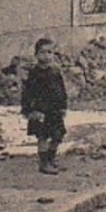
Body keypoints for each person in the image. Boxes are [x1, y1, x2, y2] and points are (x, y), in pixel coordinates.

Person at [21, 37, 68, 175]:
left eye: (50, 52)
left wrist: (63, 106)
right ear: (36, 55)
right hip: (40, 110)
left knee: (58, 134)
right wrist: (28, 110)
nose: (46, 56)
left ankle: (51, 158)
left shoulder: (55, 71)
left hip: (54, 109)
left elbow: (61, 90)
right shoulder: (34, 73)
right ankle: (43, 163)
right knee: (42, 136)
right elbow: (27, 92)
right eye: (42, 52)